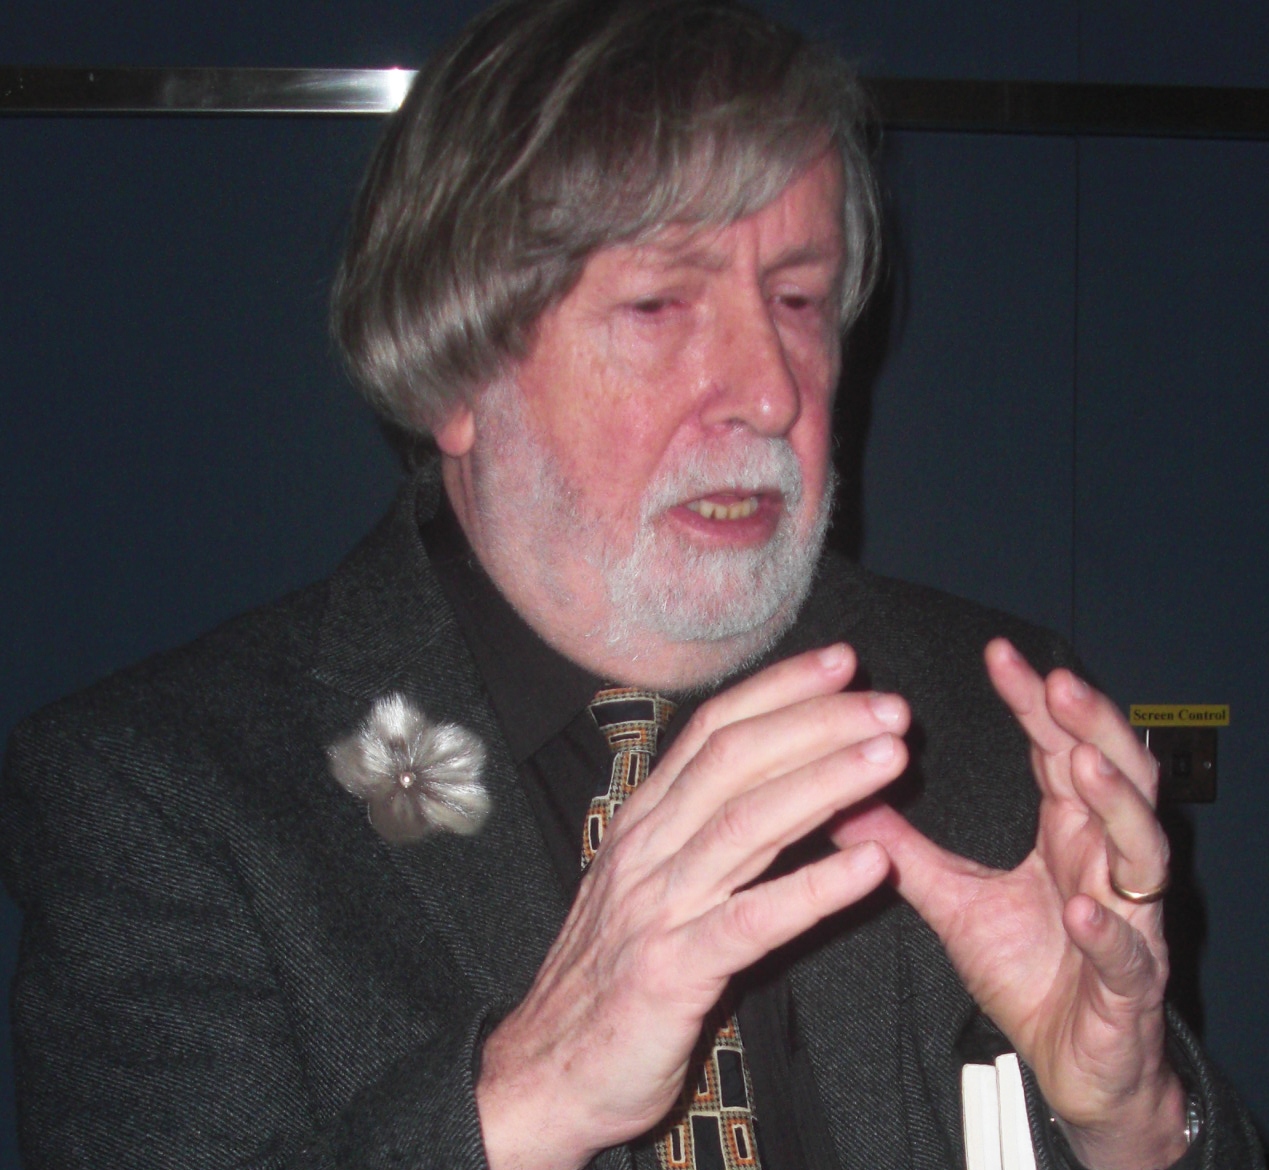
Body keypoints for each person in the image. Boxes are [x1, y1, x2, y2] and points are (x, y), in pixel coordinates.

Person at [0, 1, 1262, 1168]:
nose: (769, 392)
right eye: (659, 305)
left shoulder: (987, 719)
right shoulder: (166, 797)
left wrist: (1134, 1120)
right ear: (452, 370)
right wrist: (527, 1094)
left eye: (798, 297)